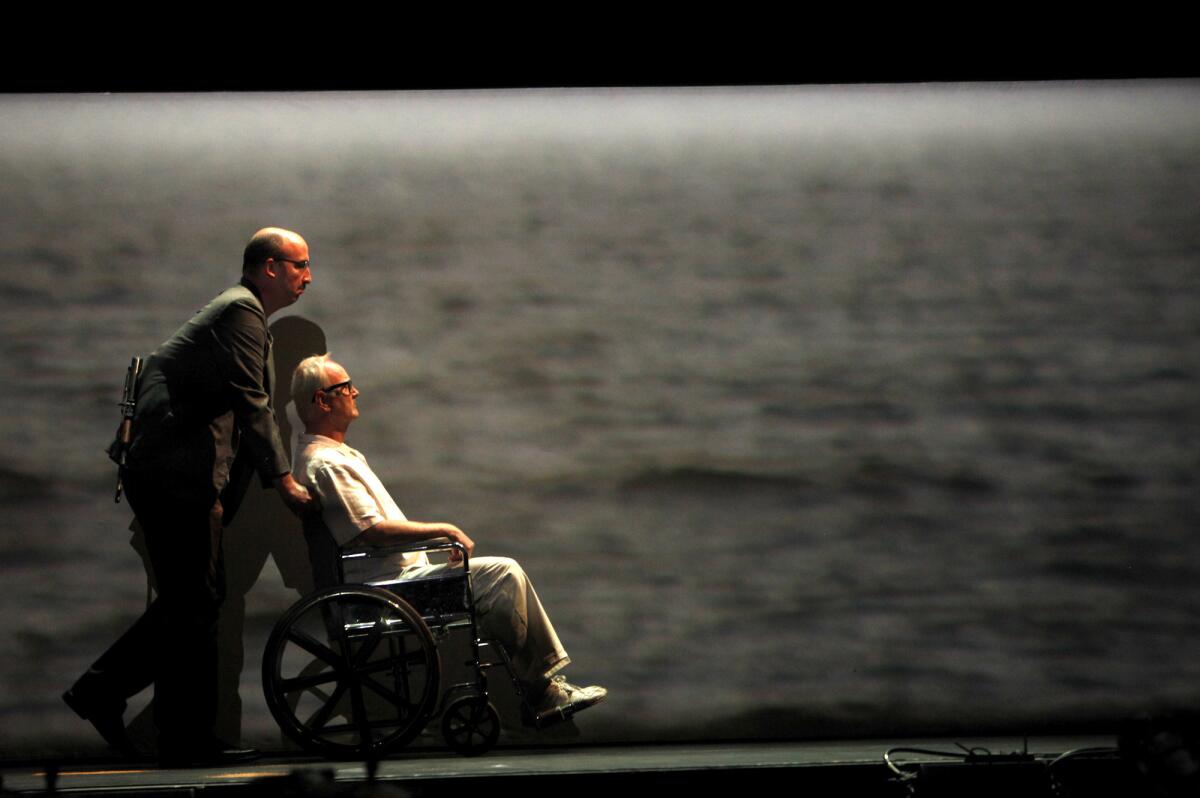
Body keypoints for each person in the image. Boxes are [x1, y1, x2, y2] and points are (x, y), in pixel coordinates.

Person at [63, 228, 319, 765]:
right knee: (196, 602)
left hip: (180, 478)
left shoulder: (240, 313)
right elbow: (253, 403)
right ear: (268, 267)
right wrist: (284, 480)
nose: (307, 276)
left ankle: (175, 732)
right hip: (175, 479)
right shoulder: (241, 312)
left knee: (198, 603)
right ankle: (110, 694)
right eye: (299, 265)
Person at [290, 354, 607, 726]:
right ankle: (541, 689)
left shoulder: (332, 456)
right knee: (504, 575)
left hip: (391, 580)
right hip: (386, 592)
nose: (355, 392)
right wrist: (442, 530)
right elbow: (370, 530)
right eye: (345, 387)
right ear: (323, 401)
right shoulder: (327, 464)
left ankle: (535, 686)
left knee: (498, 579)